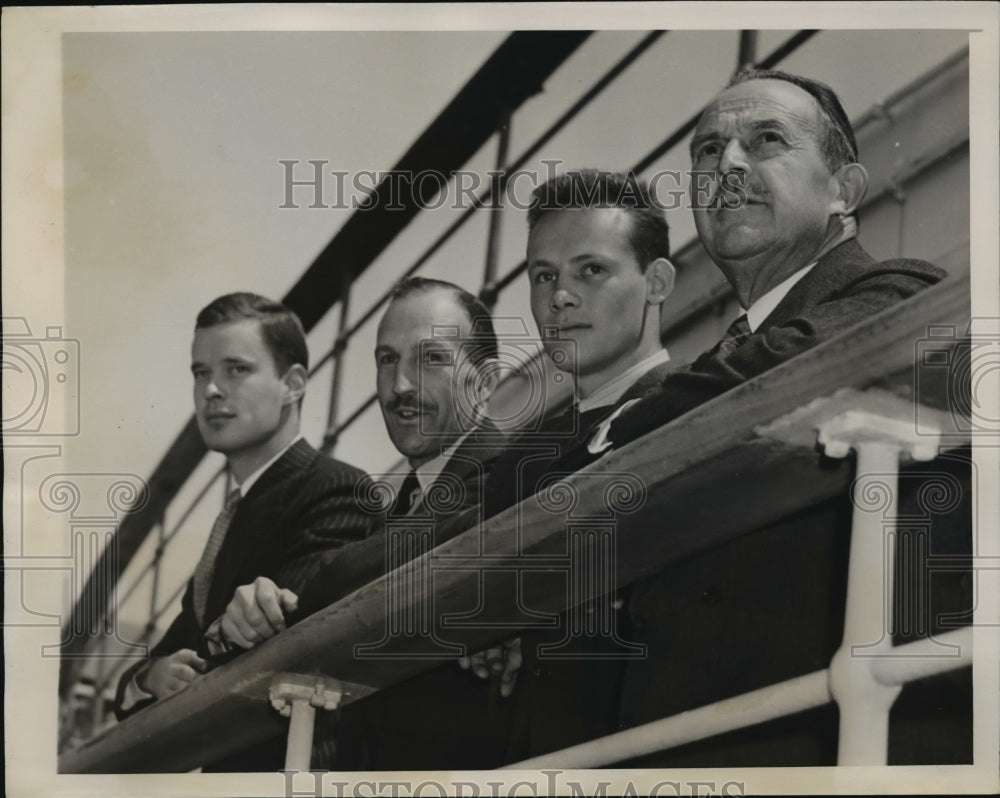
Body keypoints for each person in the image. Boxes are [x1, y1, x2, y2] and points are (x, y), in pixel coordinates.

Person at [608, 70, 968, 766]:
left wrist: (609, 429)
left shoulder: (897, 297)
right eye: (707, 152)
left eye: (765, 139)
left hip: (829, 751)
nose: (728, 165)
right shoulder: (714, 368)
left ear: (846, 190)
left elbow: (772, 373)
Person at [217, 277, 513, 769]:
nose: (400, 385)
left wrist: (282, 603)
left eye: (431, 358)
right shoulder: (406, 504)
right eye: (387, 359)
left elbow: (364, 576)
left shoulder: (508, 480)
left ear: (485, 381)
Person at [112, 292, 372, 770]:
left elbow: (277, 631)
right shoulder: (238, 511)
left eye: (236, 369)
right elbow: (169, 656)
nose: (211, 390)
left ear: (293, 384)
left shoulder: (337, 489)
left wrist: (179, 663)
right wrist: (150, 677)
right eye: (201, 372)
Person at [477, 169, 677, 760]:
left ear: (657, 282)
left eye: (592, 270)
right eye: (544, 276)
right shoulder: (518, 465)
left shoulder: (693, 410)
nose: (559, 296)